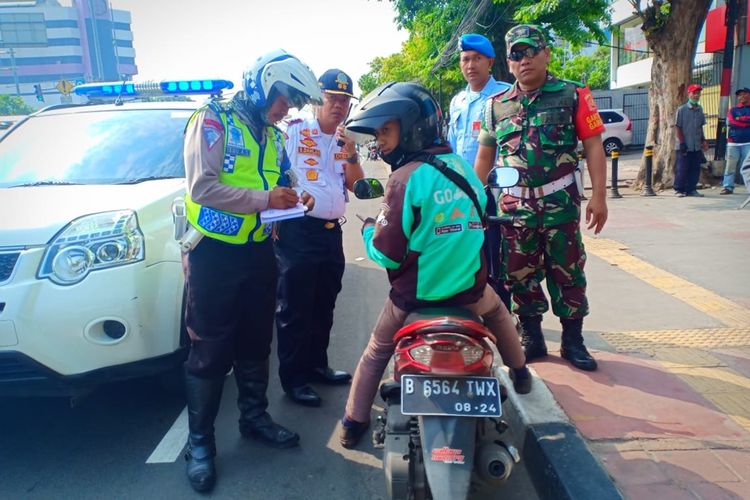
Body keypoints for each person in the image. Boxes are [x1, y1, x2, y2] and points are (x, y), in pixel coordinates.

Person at [338, 81, 531, 449]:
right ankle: (520, 374)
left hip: (414, 300)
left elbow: (388, 253)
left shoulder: (403, 178)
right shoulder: (465, 170)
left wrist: (366, 233)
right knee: (502, 315)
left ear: (412, 127)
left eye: (386, 131)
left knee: (377, 350)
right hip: (471, 295)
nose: (380, 141)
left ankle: (351, 423)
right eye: (378, 133)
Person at [180, 49, 321, 493]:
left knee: (257, 340)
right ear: (264, 84)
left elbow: (285, 181)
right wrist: (266, 201)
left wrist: (299, 196)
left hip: (259, 251)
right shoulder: (213, 119)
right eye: (284, 98)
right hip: (214, 254)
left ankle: (254, 418)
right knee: (210, 348)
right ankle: (200, 443)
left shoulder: (274, 136)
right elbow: (202, 188)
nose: (288, 109)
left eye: (294, 104)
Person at [474, 24, 608, 372]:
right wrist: (474, 201)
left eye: (531, 51)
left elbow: (594, 146)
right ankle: (532, 335)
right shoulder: (495, 106)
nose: (525, 59)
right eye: (517, 54)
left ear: (546, 54)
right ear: (509, 62)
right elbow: (485, 157)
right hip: (515, 210)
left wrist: (599, 197)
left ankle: (573, 340)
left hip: (560, 206)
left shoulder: (573, 94)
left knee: (568, 274)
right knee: (519, 274)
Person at [275, 69, 364, 407]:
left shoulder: (345, 139)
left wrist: (351, 152)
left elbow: (356, 185)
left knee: (324, 303)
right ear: (317, 100)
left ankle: (316, 366)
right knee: (295, 307)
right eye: (332, 98)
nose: (339, 106)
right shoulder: (294, 131)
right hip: (298, 230)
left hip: (331, 233)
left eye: (344, 100)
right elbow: (273, 169)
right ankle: (294, 379)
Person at [448, 33, 512, 308]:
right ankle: (475, 305)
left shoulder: (506, 95)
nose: (470, 65)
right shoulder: (457, 101)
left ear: (490, 62)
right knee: (467, 250)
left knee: (499, 253)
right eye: (465, 59)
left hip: (495, 190)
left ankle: (506, 311)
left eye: (476, 59)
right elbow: (452, 147)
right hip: (462, 192)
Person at [674, 83, 709, 197]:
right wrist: (682, 143)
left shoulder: (700, 109)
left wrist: (703, 141)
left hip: (696, 145)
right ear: (689, 94)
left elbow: (700, 127)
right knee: (682, 169)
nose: (696, 95)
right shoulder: (682, 110)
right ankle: (679, 189)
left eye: (698, 93)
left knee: (695, 169)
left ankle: (691, 189)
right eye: (694, 93)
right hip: (684, 145)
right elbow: (678, 127)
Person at [721, 87, 750, 195]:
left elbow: (737, 121)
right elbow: (731, 123)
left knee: (748, 167)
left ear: (749, 95)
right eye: (739, 95)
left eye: (744, 94)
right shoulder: (733, 110)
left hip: (748, 143)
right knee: (730, 166)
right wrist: (746, 120)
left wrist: (740, 119)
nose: (741, 97)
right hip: (733, 143)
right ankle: (728, 187)